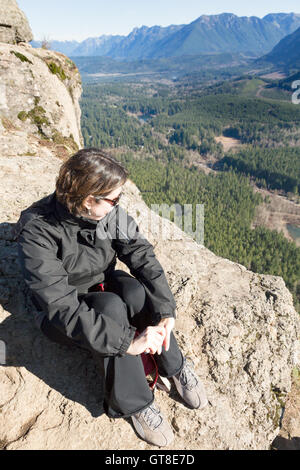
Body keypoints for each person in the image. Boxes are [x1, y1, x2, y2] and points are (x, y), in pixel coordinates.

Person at [14, 148, 208, 448]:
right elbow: (60, 306)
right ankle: (135, 404)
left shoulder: (108, 214)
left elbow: (140, 254)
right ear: (88, 199)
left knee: (135, 292)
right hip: (61, 311)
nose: (118, 205)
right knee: (111, 308)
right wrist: (127, 343)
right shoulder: (37, 230)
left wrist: (166, 308)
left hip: (101, 281)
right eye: (113, 199)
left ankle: (175, 365)